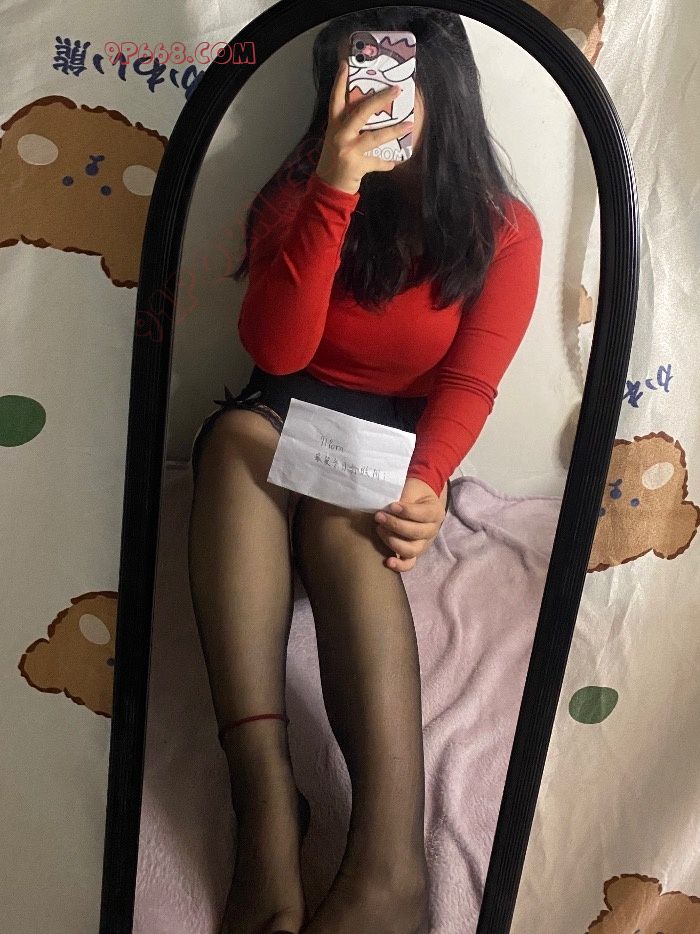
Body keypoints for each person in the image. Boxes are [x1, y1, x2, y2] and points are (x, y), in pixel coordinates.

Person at [187, 9, 543, 934]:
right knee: (229, 443)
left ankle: (390, 867)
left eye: (395, 76)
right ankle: (268, 810)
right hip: (286, 406)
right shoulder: (299, 190)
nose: (376, 97)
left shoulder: (504, 228)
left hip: (391, 442)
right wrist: (336, 187)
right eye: (357, 78)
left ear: (445, 86)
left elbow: (471, 380)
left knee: (345, 526)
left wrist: (429, 481)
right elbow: (275, 349)